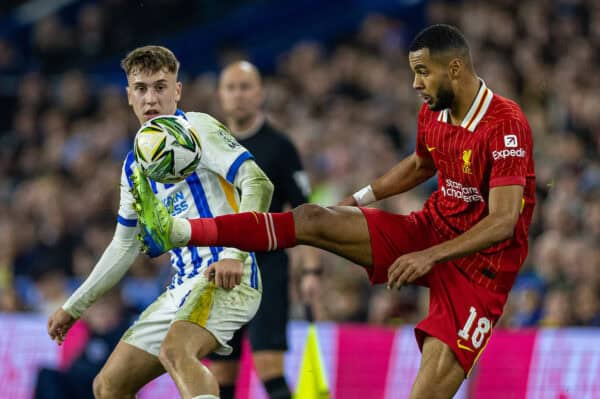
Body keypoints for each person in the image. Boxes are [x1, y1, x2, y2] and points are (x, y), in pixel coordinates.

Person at [131, 24, 536, 398]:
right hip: (431, 228)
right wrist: (359, 199)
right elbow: (420, 165)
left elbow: (502, 222)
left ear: (455, 67)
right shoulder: (433, 111)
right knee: (313, 218)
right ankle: (189, 231)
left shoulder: (505, 123)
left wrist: (426, 257)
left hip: (482, 268)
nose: (415, 83)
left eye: (423, 73)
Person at [47, 45, 274, 399]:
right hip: (181, 288)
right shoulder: (133, 167)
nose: (150, 98)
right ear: (128, 96)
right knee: (108, 386)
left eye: (160, 86)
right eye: (141, 88)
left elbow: (258, 183)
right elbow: (123, 246)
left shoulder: (197, 129)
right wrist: (73, 306)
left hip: (230, 275)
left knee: (175, 352)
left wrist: (235, 252)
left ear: (177, 91)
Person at [207, 61, 310, 399]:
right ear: (221, 95)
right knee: (221, 374)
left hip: (265, 268)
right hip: (218, 269)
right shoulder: (209, 147)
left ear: (260, 93)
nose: (238, 95)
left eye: (245, 87)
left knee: (270, 369)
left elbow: (306, 212)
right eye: (231, 88)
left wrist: (311, 270)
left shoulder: (280, 147)